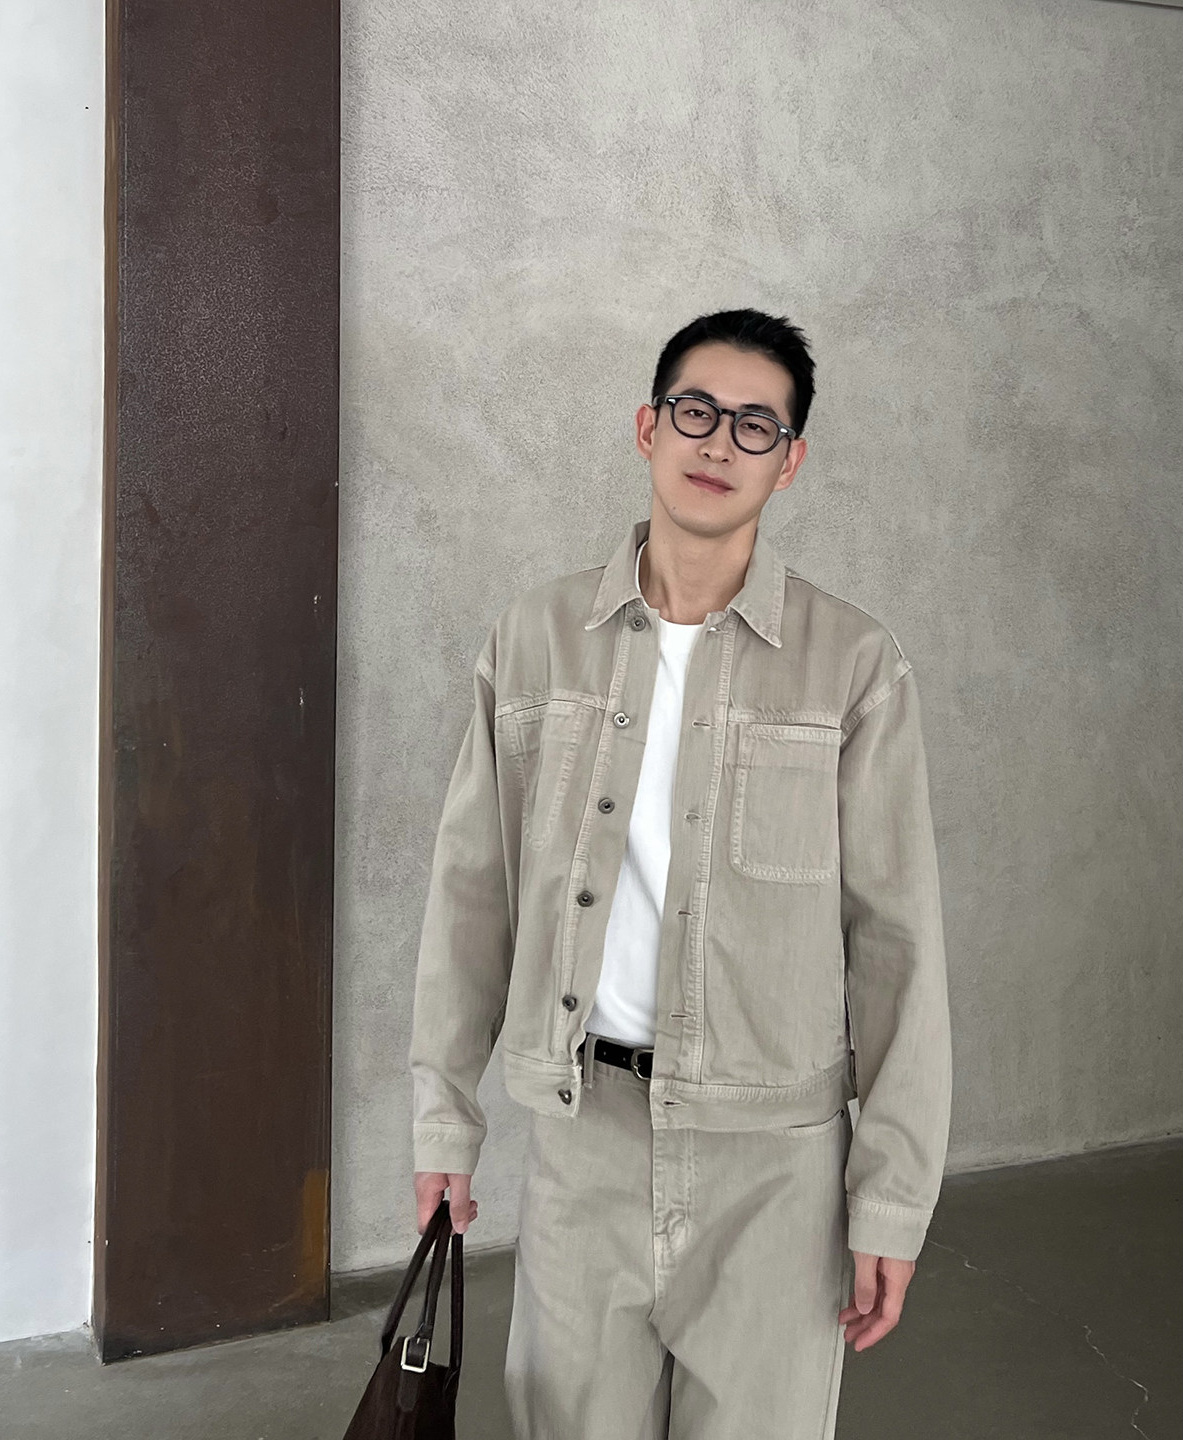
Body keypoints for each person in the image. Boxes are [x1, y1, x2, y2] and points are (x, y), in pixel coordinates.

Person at [408, 308, 952, 1439]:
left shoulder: (854, 665)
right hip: (584, 1144)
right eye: (697, 411)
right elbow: (472, 897)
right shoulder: (535, 640)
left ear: (790, 462)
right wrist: (443, 1124)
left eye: (758, 425)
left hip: (775, 1168)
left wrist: (892, 1198)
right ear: (648, 427)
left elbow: (897, 944)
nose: (720, 442)